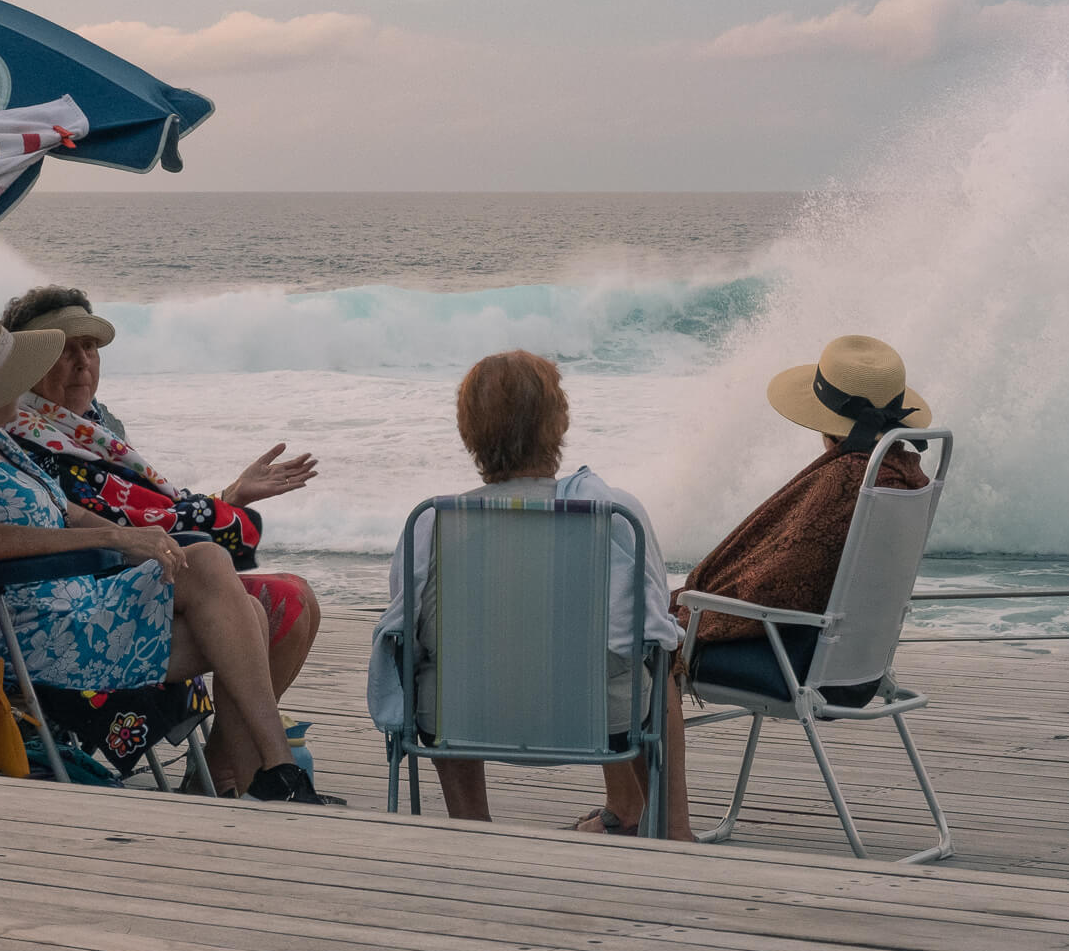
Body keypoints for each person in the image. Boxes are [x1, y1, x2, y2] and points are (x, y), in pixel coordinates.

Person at [0, 308, 331, 805]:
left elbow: (72, 515)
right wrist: (121, 542)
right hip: (23, 626)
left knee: (244, 605)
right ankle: (273, 772)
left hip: (73, 605)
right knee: (217, 571)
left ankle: (266, 776)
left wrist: (139, 538)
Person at [368, 351, 686, 836]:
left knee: (434, 669)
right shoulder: (613, 515)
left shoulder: (432, 523)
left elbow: (405, 638)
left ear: (467, 431)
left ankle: (473, 827)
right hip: (600, 721)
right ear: (559, 423)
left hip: (459, 720)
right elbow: (652, 632)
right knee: (658, 665)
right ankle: (672, 829)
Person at [676, 335, 932, 710]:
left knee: (647, 647)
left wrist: (691, 607)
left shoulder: (846, 482)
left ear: (824, 424)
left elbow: (773, 585)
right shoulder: (903, 476)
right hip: (861, 669)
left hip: (800, 668)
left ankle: (660, 771)